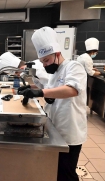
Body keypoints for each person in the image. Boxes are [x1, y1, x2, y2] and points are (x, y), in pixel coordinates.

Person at [18, 26, 87, 181]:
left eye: (47, 61)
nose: (45, 65)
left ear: (57, 54)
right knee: (55, 172)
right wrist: (31, 87)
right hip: (55, 130)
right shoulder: (55, 73)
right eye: (42, 62)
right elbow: (51, 89)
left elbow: (71, 90)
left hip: (69, 132)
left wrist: (41, 92)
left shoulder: (73, 67)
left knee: (67, 175)